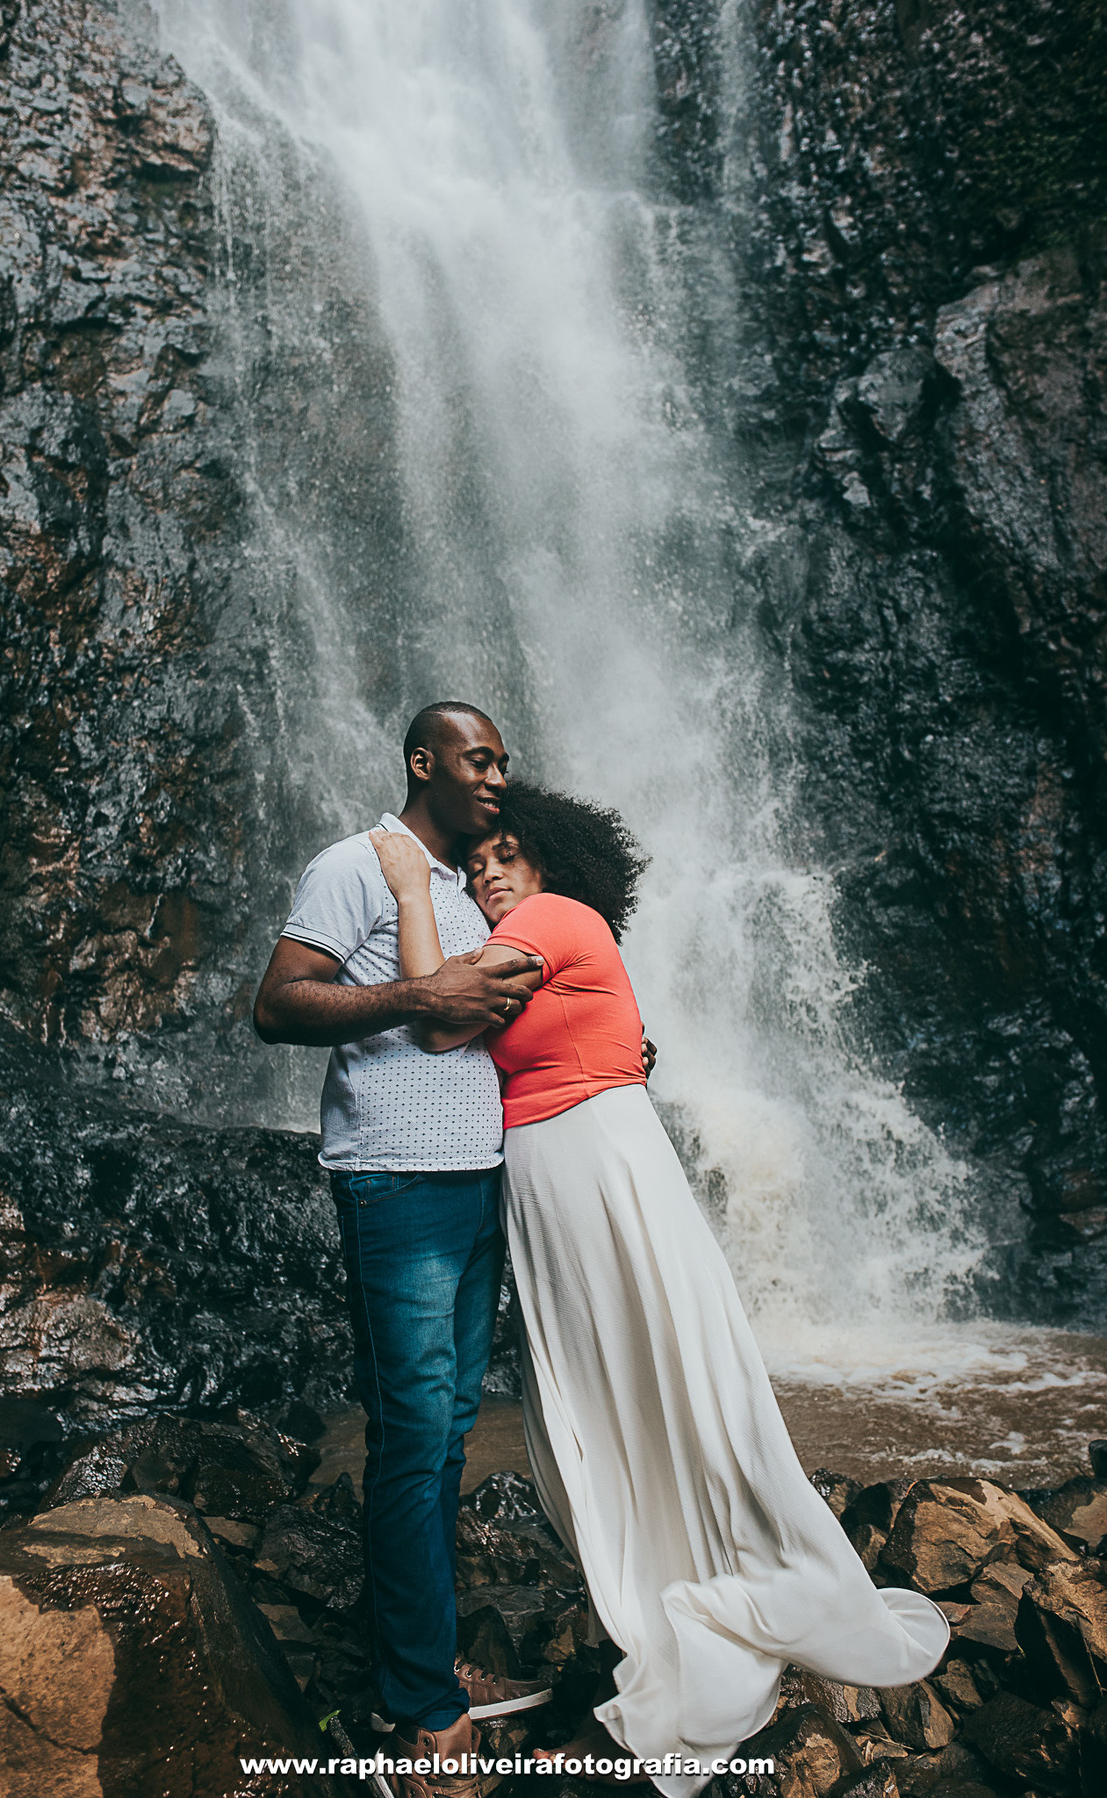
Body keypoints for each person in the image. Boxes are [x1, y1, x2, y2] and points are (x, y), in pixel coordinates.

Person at [369, 781, 950, 1798]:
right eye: (474, 864)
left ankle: (709, 1583)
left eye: (506, 854)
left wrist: (415, 890)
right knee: (620, 1393)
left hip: (597, 1167)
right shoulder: (538, 940)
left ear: (548, 859)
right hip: (554, 1180)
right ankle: (669, 1577)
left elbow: (438, 1017)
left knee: (656, 1380)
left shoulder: (553, 918)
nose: (488, 872)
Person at [253, 702, 555, 1794]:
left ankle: (422, 1660)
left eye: (505, 762)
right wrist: (418, 992)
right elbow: (276, 1005)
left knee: (447, 1428)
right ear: (424, 761)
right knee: (417, 1427)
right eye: (479, 758)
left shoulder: (475, 886)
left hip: (480, 1181)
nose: (497, 776)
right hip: (396, 1185)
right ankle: (425, 1711)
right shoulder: (352, 864)